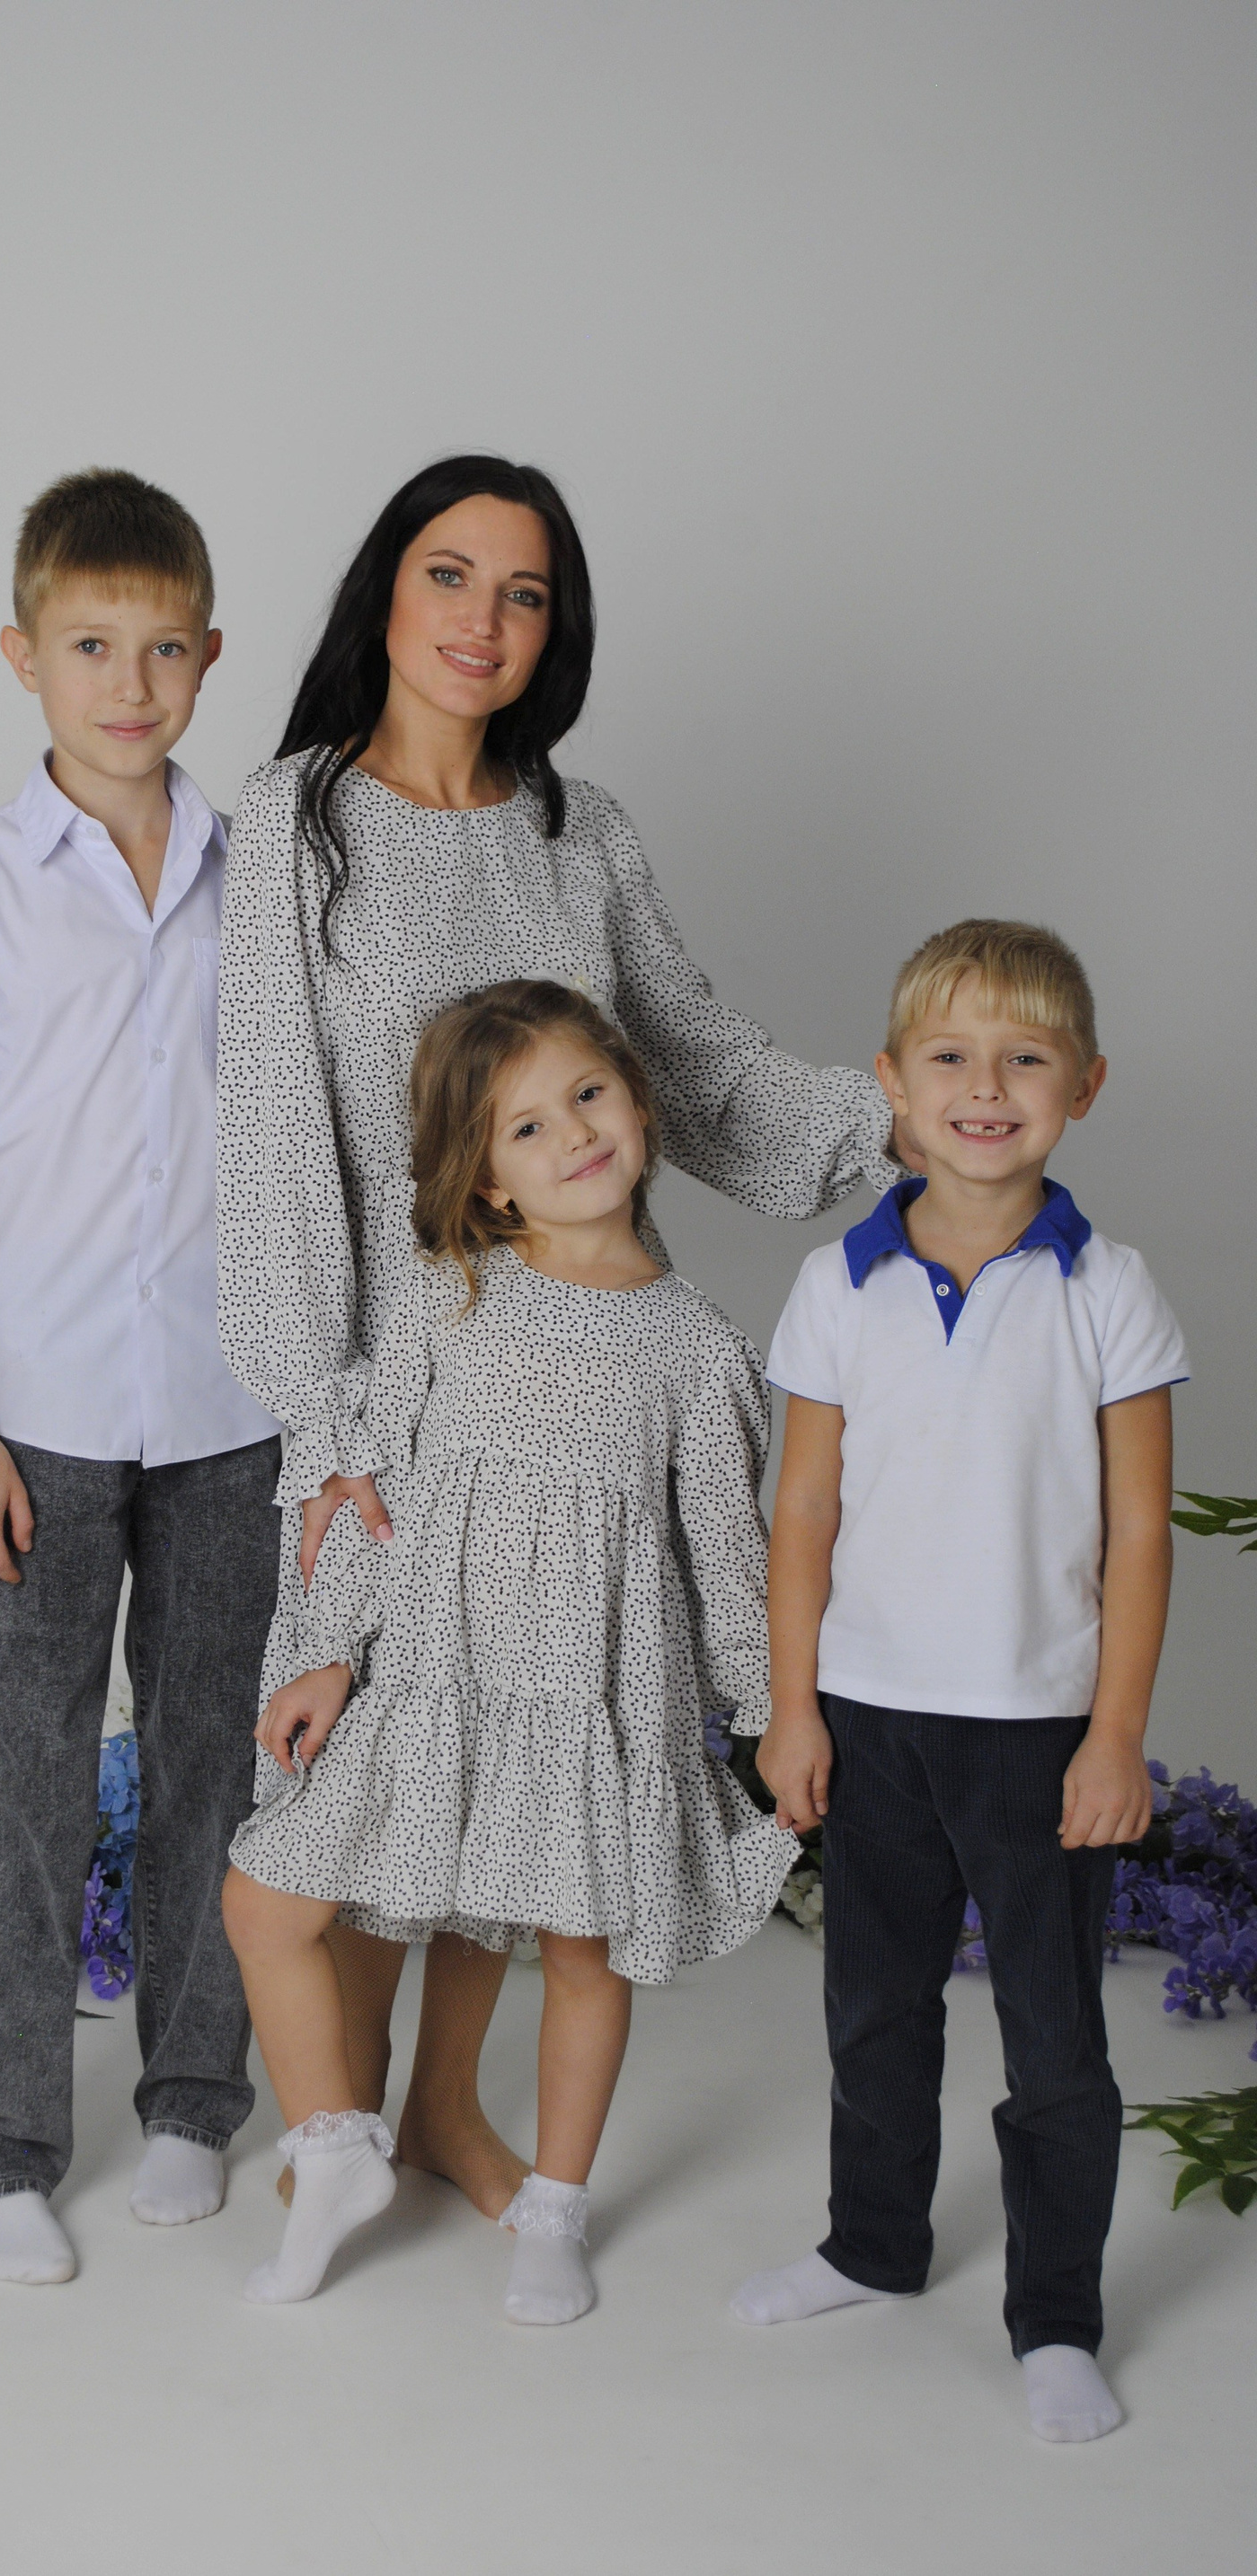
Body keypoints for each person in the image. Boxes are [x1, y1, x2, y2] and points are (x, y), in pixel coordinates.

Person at [216, 452, 904, 2221]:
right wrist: (322, 1427)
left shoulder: (580, 835)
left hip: (579, 1379)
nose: (484, 620)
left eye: (524, 593)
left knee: (524, 1760)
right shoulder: (296, 820)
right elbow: (278, 1139)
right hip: (397, 1385)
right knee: (376, 1765)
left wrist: (899, 1117)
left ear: (556, 630)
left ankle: (444, 2113)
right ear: (387, 591)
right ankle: (336, 2133)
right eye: (451, 576)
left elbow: (696, 1067)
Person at [0, 469, 281, 2284]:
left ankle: (194, 2098)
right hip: (32, 1424)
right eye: (91, 647)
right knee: (14, 1786)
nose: (129, 684)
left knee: (216, 1769)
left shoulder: (268, 883)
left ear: (209, 656)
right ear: (23, 657)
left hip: (236, 1416)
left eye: (163, 649)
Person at [222, 980, 795, 2316]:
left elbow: (728, 1555)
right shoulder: (448, 1296)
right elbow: (379, 1493)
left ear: (639, 1104)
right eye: (526, 1128)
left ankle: (555, 2209)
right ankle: (334, 2147)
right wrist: (332, 1651)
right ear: (486, 1181)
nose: (573, 1136)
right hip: (436, 1682)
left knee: (581, 1954)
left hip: (594, 1701)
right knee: (266, 1902)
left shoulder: (700, 1350)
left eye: (589, 1096)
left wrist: (773, 1720)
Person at [730, 919, 1187, 2444]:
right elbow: (803, 1510)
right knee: (876, 2008)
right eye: (951, 1058)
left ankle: (1057, 2317)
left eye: (1025, 1059)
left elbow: (1139, 1533)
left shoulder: (1110, 1289)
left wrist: (1115, 1734)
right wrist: (793, 1708)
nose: (986, 1088)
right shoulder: (836, 1284)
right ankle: (873, 2244)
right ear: (893, 1085)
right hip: (869, 1722)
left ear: (1085, 1086)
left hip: (1041, 1731)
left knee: (1055, 2042)